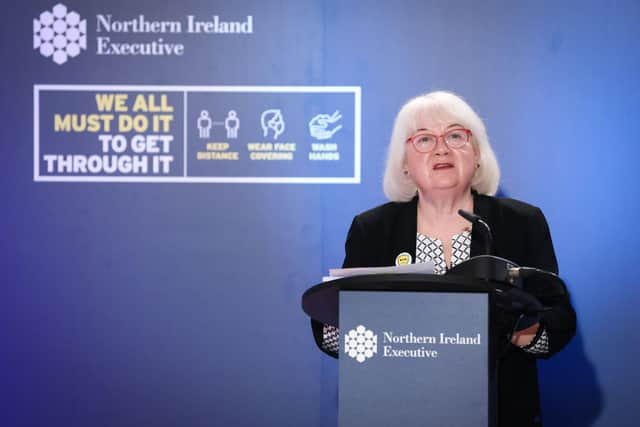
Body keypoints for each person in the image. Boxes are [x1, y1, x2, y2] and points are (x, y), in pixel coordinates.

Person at [311, 91, 576, 426]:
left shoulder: (520, 222)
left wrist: (512, 331)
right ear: (404, 163)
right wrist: (352, 324)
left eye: (455, 135)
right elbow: (332, 332)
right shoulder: (373, 228)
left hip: (500, 409)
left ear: (477, 153)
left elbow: (559, 322)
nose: (441, 148)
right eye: (423, 139)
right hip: (397, 409)